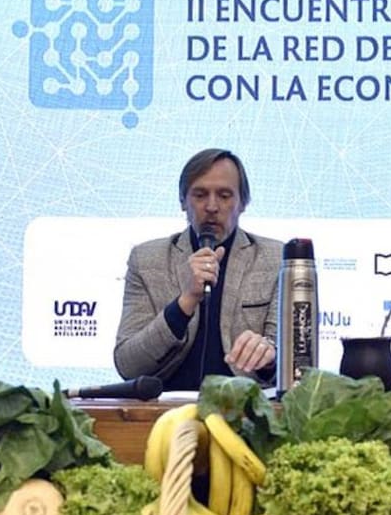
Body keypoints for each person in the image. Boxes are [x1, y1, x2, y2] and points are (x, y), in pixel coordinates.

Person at [114, 148, 281, 391]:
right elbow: (127, 365)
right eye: (200, 195)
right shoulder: (147, 259)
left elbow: (296, 364)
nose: (212, 206)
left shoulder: (275, 259)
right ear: (183, 201)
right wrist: (185, 302)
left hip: (246, 412)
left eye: (224, 195)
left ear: (243, 203)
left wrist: (268, 357)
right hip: (165, 416)